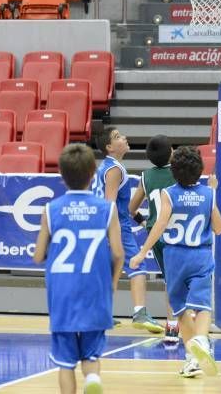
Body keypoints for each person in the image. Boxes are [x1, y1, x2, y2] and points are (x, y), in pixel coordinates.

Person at [34, 144, 124, 394]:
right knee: (91, 355)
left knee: (65, 363)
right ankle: (92, 377)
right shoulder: (108, 209)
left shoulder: (51, 210)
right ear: (93, 174)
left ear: (62, 176)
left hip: (62, 293)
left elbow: (38, 255)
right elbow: (118, 253)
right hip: (95, 289)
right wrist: (114, 282)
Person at [130, 146, 221, 378]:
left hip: (174, 258)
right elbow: (219, 228)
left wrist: (142, 252)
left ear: (174, 171)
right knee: (202, 306)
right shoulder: (208, 194)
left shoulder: (169, 194)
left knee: (181, 310)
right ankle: (201, 340)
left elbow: (159, 225)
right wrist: (213, 194)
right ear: (199, 169)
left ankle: (192, 358)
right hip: (200, 256)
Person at [93, 127, 163, 334]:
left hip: (101, 224)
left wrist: (139, 220)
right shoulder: (115, 169)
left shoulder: (103, 167)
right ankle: (140, 313)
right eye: (117, 137)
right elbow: (110, 204)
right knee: (138, 266)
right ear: (109, 147)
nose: (124, 138)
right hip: (115, 225)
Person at [127, 134, 179, 345]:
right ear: (172, 152)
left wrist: (143, 222)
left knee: (169, 281)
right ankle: (183, 326)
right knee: (183, 281)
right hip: (177, 231)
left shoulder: (145, 176)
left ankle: (172, 329)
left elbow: (131, 209)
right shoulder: (179, 172)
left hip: (155, 234)